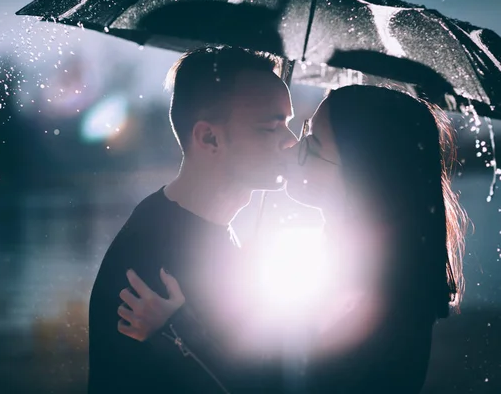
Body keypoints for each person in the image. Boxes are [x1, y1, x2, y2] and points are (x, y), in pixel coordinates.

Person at [118, 85, 468, 394]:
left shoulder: (375, 297)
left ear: (361, 176)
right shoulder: (360, 262)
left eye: (311, 144)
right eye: (304, 132)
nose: (291, 147)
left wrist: (177, 331)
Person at [87, 46, 297, 394]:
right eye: (270, 128)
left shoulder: (207, 232)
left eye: (288, 124)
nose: (291, 142)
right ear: (209, 138)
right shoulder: (153, 260)